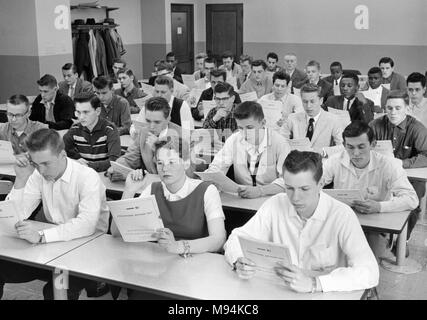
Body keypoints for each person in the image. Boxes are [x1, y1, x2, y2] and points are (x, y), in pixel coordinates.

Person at [224, 150, 379, 293]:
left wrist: (315, 283)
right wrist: (239, 260)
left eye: (304, 189)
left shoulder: (342, 215)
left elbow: (369, 271)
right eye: (289, 188)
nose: (295, 198)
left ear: (320, 185)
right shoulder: (275, 204)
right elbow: (236, 238)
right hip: (280, 292)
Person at [0, 129, 109, 299]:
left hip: (82, 251)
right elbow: (17, 214)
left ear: (63, 155)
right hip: (51, 247)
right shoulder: (38, 174)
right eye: (36, 164)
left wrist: (42, 236)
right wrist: (21, 180)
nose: (41, 170)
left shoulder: (87, 177)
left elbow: (87, 224)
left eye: (46, 163)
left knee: (57, 290)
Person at [114, 136, 226, 299]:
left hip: (195, 272)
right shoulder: (152, 189)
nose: (165, 168)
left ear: (186, 163)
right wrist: (129, 191)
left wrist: (177, 246)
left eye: (172, 162)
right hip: (158, 269)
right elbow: (118, 233)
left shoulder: (207, 191)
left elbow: (218, 240)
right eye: (160, 163)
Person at [322, 121, 418, 257]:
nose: (355, 153)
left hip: (375, 226)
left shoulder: (389, 164)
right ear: (344, 145)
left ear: (373, 144)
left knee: (366, 258)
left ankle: (394, 245)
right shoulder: (335, 160)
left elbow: (411, 199)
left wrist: (379, 206)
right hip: (342, 219)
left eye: (361, 147)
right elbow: (316, 182)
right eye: (350, 147)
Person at [369, 90, 427, 243]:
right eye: (389, 108)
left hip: (409, 175)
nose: (393, 112)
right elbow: (365, 147)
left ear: (407, 109)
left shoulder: (417, 128)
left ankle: (402, 240)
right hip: (381, 172)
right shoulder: (375, 125)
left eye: (398, 108)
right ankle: (378, 234)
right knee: (370, 196)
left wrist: (402, 163)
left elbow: (426, 154)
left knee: (412, 203)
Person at [206, 101, 290, 199]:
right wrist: (211, 178)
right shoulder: (234, 139)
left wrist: (260, 191)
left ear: (263, 123)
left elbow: (287, 180)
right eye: (240, 128)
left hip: (271, 199)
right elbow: (217, 166)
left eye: (249, 128)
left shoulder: (280, 143)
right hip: (241, 199)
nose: (244, 133)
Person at [106, 97, 184, 181]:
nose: (151, 126)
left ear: (168, 118)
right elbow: (130, 158)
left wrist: (157, 148)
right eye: (148, 121)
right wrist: (117, 168)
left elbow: (179, 172)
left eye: (157, 122)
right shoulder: (144, 132)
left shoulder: (182, 136)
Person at [63, 94, 121, 172]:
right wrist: (76, 160)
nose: (81, 117)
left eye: (86, 112)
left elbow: (114, 160)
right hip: (83, 174)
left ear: (97, 111)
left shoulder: (110, 130)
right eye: (78, 112)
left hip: (103, 175)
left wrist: (88, 166)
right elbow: (60, 151)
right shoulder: (74, 129)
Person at [281, 84, 343, 154]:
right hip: (297, 161)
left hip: (320, 162)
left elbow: (342, 146)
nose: (308, 106)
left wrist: (323, 151)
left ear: (321, 101)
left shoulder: (333, 120)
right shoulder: (292, 118)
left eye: (312, 101)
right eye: (305, 101)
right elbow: (281, 141)